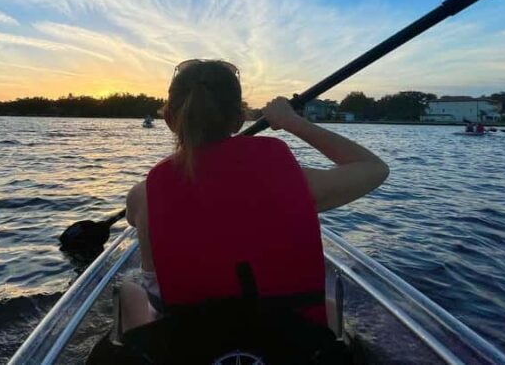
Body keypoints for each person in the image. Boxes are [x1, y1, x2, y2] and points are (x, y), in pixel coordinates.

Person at [119, 59, 389, 341]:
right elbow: (374, 168)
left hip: (188, 344)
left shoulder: (143, 196)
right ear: (239, 119)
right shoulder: (297, 184)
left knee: (129, 289)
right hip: (286, 345)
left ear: (170, 120)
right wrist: (292, 122)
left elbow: (134, 219)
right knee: (329, 306)